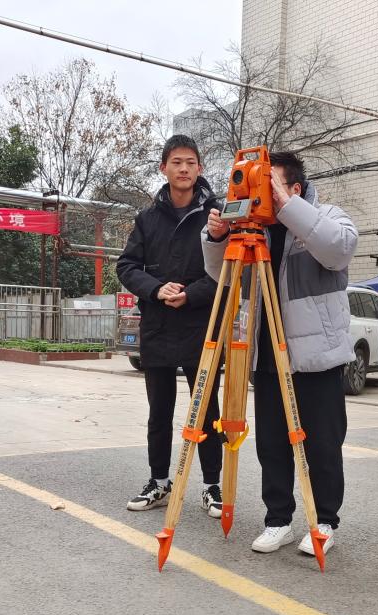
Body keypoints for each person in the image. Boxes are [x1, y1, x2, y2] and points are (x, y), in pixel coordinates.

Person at [203, 151, 357, 556]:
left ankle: (323, 521)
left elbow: (339, 249)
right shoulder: (253, 228)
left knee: (322, 445)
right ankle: (278, 520)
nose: (258, 193)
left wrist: (289, 209)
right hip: (266, 353)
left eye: (268, 185)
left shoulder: (326, 216)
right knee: (271, 444)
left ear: (295, 188)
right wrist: (217, 238)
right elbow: (221, 274)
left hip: (316, 356)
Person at [116, 135, 223, 514]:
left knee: (207, 409)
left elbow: (227, 270)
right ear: (163, 167)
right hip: (158, 325)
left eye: (190, 162)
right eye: (176, 162)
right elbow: (126, 266)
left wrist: (192, 294)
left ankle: (212, 485)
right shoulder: (148, 219)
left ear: (200, 168)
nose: (183, 169)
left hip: (200, 325)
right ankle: (159, 481)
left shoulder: (216, 216)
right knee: (159, 411)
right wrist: (156, 289)